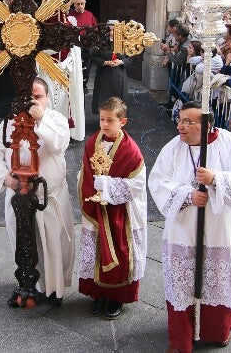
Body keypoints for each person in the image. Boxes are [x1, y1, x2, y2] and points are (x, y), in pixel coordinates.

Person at [147, 101, 231, 353]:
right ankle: (181, 339)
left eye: (188, 122)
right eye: (179, 120)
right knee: (183, 283)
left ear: (208, 125)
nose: (181, 127)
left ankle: (216, 332)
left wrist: (216, 180)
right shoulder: (173, 148)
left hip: (220, 229)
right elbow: (158, 181)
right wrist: (188, 195)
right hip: (184, 229)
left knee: (217, 282)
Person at [0, 78, 75, 307]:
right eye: (29, 97)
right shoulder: (8, 123)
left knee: (53, 246)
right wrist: (6, 178)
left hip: (49, 197)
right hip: (18, 197)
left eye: (38, 96)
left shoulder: (56, 120)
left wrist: (40, 119)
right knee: (25, 244)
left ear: (47, 98)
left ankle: (53, 289)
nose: (33, 101)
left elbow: (59, 145)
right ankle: (29, 286)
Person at [78, 97, 146, 320]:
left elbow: (137, 185)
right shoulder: (92, 142)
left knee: (120, 251)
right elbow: (84, 173)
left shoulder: (131, 150)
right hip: (96, 209)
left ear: (122, 121)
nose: (104, 125)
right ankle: (98, 293)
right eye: (101, 119)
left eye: (110, 120)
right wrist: (93, 190)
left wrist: (106, 187)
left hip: (121, 212)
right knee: (96, 249)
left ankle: (117, 297)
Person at [67, 0, 98, 88]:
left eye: (82, 4)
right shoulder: (69, 15)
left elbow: (95, 29)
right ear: (74, 4)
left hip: (87, 45)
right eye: (77, 4)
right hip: (74, 45)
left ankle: (84, 85)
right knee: (75, 67)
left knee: (86, 66)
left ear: (85, 3)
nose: (80, 6)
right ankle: (74, 86)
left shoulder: (89, 14)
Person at [91, 46, 130, 115]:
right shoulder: (100, 41)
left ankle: (118, 120)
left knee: (118, 101)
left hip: (119, 75)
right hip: (103, 75)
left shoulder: (124, 42)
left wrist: (121, 62)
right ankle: (103, 119)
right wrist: (105, 62)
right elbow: (94, 57)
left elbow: (130, 57)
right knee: (103, 100)